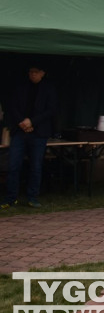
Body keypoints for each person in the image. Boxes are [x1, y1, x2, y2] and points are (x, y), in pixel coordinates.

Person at [3, 63, 58, 209]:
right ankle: (10, 197)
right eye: (30, 72)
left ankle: (32, 197)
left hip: (39, 133)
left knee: (35, 165)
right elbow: (12, 106)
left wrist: (32, 121)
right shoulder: (21, 87)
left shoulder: (49, 89)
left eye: (36, 72)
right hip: (20, 131)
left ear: (42, 73)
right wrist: (22, 122)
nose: (32, 74)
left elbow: (50, 110)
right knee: (13, 164)